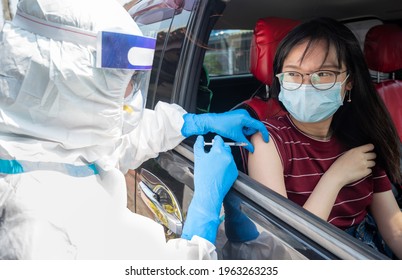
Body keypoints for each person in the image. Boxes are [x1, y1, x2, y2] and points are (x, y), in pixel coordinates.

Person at [0, 0, 269, 259]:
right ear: (77, 83)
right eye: (124, 81)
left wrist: (191, 123)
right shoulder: (43, 224)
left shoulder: (37, 147)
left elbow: (113, 144)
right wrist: (203, 215)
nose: (132, 92)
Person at [248, 17, 402, 259]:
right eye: (293, 74)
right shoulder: (268, 141)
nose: (306, 85)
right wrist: (336, 177)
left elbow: (393, 227)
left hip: (366, 249)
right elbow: (284, 244)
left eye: (323, 73)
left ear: (348, 82)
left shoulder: (361, 135)